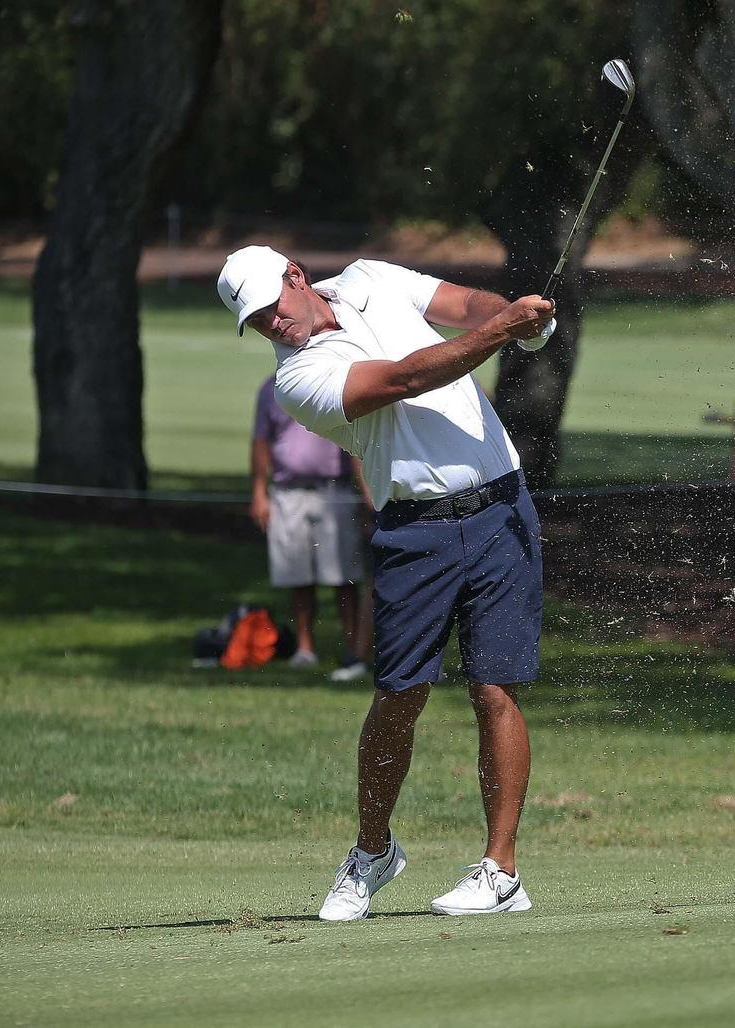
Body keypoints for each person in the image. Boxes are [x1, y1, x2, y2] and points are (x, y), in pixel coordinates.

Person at [218, 245, 555, 920]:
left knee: (496, 689)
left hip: (502, 509)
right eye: (255, 323)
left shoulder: (372, 278)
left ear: (295, 277)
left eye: (271, 308)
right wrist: (504, 330)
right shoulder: (298, 380)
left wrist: (523, 321)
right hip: (414, 530)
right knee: (399, 696)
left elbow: (464, 305)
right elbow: (405, 378)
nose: (271, 326)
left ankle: (501, 870)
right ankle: (374, 851)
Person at [250, 374, 371, 681]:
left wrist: (364, 492)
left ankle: (353, 650)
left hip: (334, 491)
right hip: (287, 492)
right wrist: (258, 492)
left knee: (343, 576)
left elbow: (355, 440)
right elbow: (261, 440)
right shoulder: (270, 388)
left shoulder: (333, 382)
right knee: (298, 576)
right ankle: (305, 649)